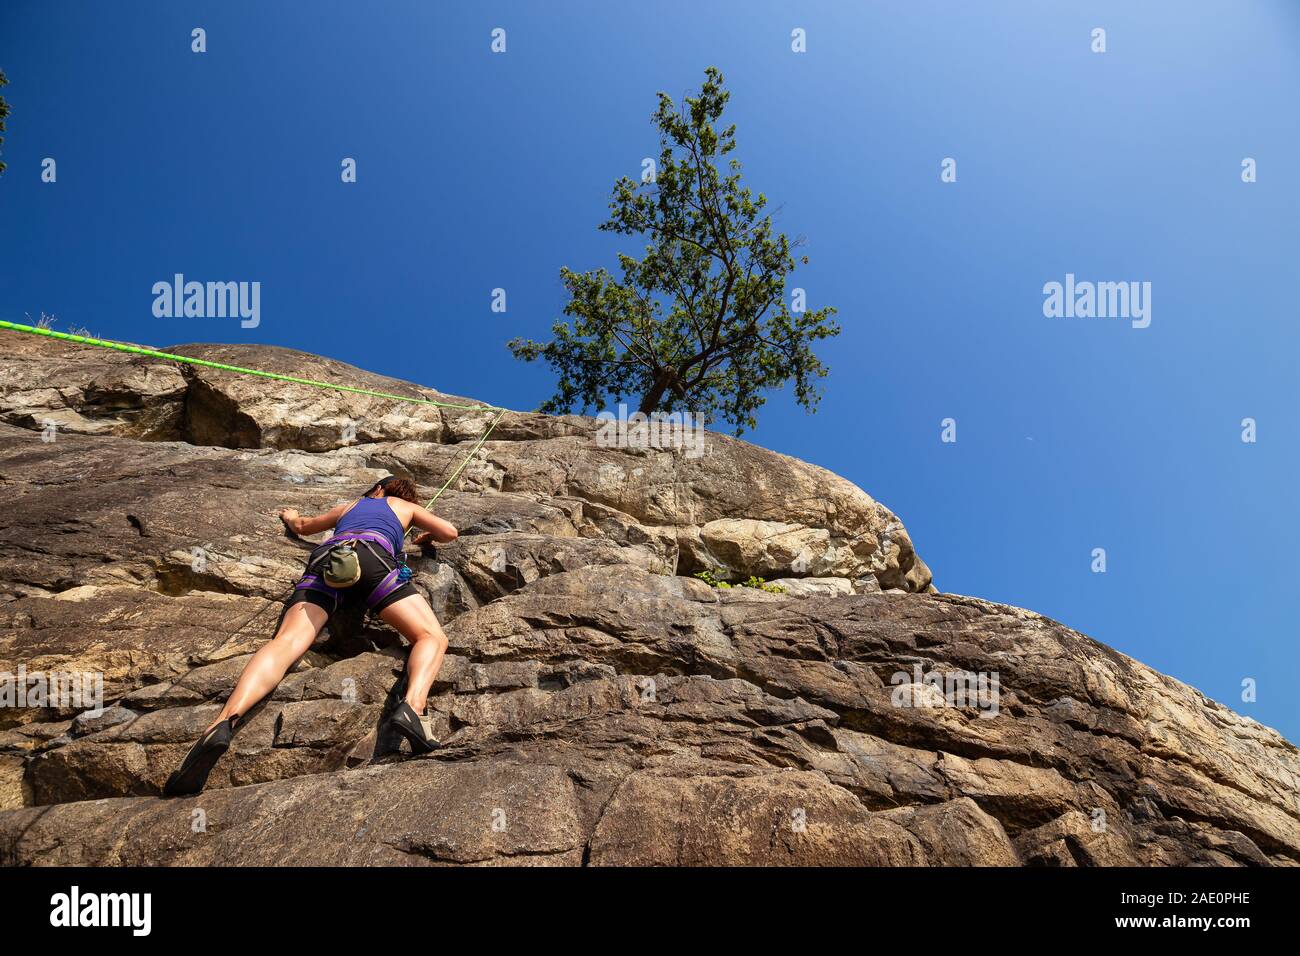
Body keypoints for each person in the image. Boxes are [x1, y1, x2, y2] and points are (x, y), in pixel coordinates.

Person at [163, 475, 458, 797]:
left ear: (375, 488)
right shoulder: (404, 506)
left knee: (287, 643)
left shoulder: (350, 506)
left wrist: (290, 517)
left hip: (328, 561)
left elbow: (303, 526)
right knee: (431, 637)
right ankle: (413, 708)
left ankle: (222, 724)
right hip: (373, 560)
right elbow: (450, 533)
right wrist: (426, 536)